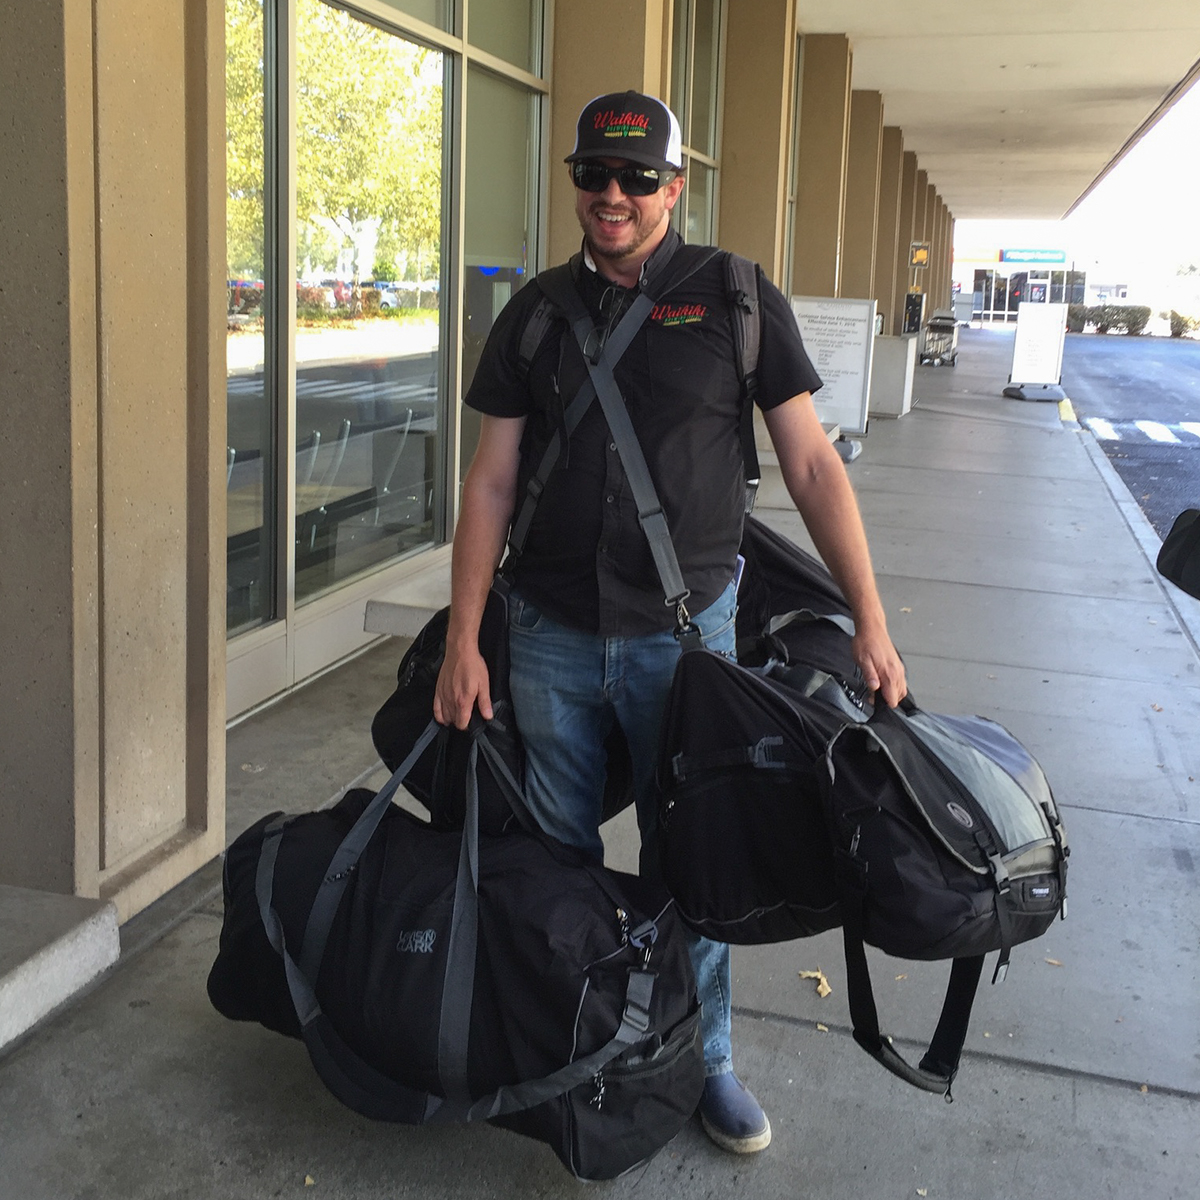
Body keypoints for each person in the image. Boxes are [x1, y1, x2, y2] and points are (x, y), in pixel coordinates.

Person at [435, 90, 906, 1154]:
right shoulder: (537, 313)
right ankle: (563, 1040)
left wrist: (870, 622)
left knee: (695, 857)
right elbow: (491, 484)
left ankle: (707, 1063)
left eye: (638, 178)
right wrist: (465, 640)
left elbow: (811, 461)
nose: (612, 196)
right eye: (593, 176)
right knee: (551, 857)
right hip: (548, 632)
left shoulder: (735, 296)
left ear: (675, 185)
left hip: (686, 640)